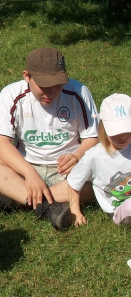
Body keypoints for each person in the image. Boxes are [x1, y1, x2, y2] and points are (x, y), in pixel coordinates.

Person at [0, 47, 99, 230]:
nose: (51, 92)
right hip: (26, 168)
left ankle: (17, 199)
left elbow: (92, 137)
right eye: (44, 85)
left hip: (69, 171)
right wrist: (29, 173)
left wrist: (77, 156)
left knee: (103, 178)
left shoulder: (78, 92)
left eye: (57, 84)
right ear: (27, 76)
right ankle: (48, 206)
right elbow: (1, 144)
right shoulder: (11, 94)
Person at [58, 93, 131, 227]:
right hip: (120, 210)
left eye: (127, 130)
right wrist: (75, 211)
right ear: (103, 128)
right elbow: (74, 183)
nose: (123, 137)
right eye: (116, 132)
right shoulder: (95, 155)